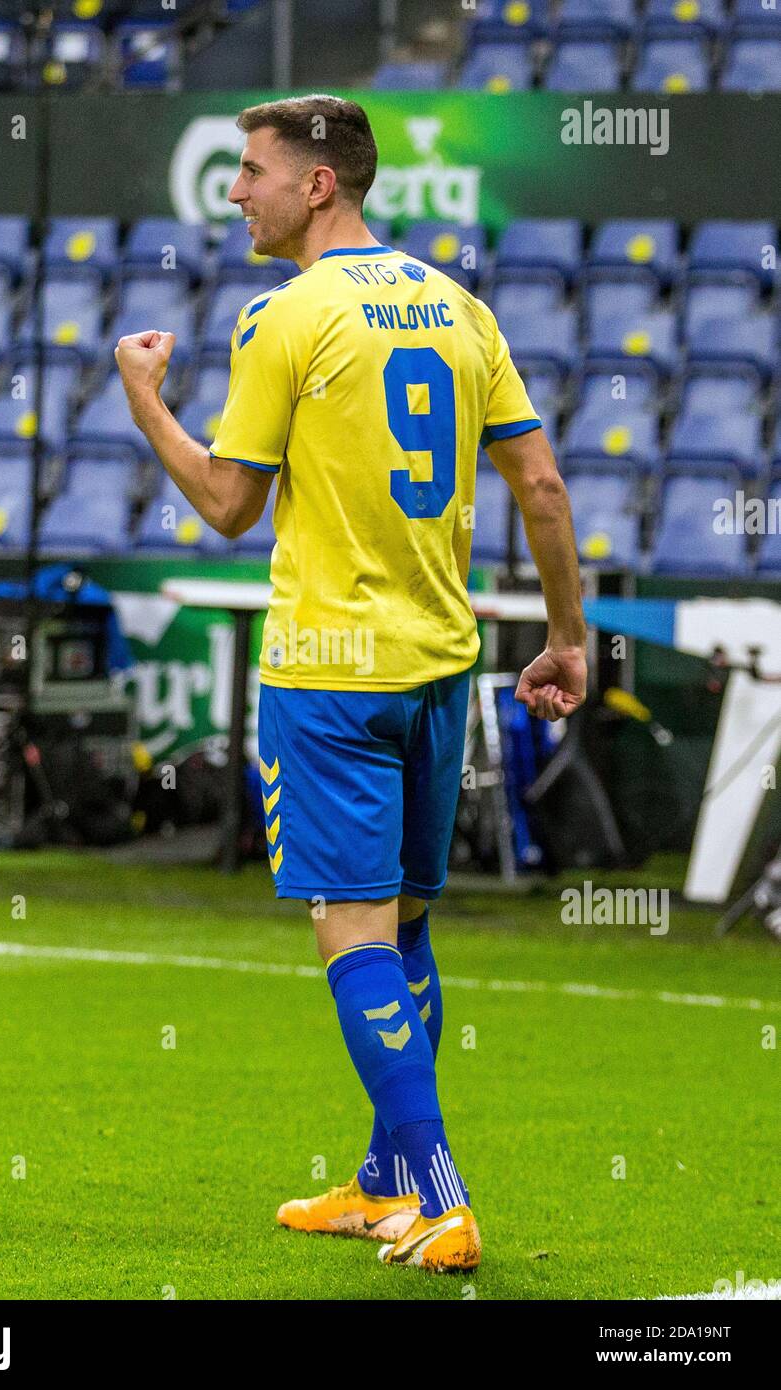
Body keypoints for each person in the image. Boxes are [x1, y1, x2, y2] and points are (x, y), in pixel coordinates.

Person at [115, 94, 587, 1273]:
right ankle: (383, 1178)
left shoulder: (286, 316)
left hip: (327, 677)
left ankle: (439, 1194)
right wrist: (567, 638)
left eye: (251, 170)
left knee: (350, 932)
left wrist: (144, 402)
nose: (236, 192)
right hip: (441, 668)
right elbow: (540, 488)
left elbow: (228, 506)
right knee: (407, 924)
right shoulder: (460, 307)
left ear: (317, 184)